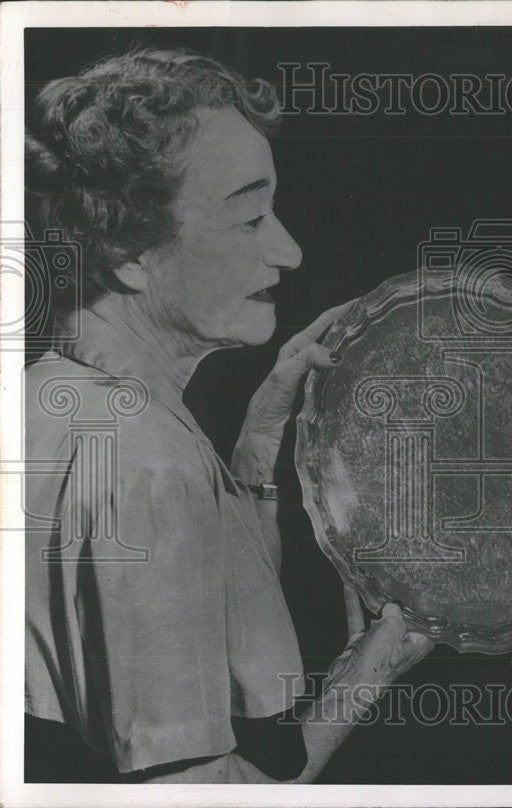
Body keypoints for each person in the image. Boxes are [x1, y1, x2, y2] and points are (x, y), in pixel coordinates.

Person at [23, 47, 432, 783]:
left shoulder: (50, 401)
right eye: (250, 218)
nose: (291, 250)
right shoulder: (148, 463)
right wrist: (373, 670)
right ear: (126, 248)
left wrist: (255, 446)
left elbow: (195, 622)